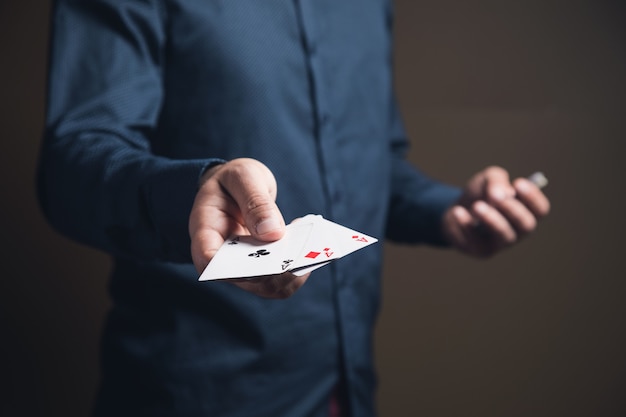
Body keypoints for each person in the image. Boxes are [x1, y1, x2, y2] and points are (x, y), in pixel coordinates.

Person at [37, 1, 550, 416]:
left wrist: (449, 210)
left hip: (345, 391)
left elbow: (370, 162)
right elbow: (72, 163)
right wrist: (194, 192)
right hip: (196, 394)